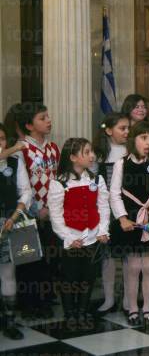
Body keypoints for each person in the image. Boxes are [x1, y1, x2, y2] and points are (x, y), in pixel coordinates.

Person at [109, 121, 149, 326]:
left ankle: (147, 308)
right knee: (133, 267)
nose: (148, 142)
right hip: (131, 219)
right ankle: (133, 308)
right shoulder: (121, 163)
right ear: (133, 139)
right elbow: (114, 194)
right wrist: (122, 217)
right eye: (144, 138)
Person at [48, 138, 110, 324]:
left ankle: (82, 311)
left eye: (91, 151)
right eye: (87, 152)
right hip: (72, 238)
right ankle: (70, 313)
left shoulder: (96, 180)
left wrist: (103, 230)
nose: (92, 156)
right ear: (73, 157)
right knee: (69, 278)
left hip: (92, 237)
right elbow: (56, 215)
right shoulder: (60, 183)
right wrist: (67, 237)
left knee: (88, 276)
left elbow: (103, 207)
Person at [17, 102, 60, 318]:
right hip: (27, 214)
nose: (49, 120)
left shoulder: (53, 148)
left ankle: (44, 301)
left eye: (48, 116)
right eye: (42, 118)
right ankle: (27, 304)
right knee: (27, 258)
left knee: (47, 259)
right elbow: (21, 184)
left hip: (51, 214)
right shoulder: (21, 148)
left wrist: (52, 208)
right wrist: (36, 208)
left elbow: (57, 180)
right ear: (28, 125)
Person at [92, 113, 130, 315]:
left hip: (125, 210)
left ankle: (126, 300)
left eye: (128, 128)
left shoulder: (130, 151)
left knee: (126, 256)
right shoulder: (98, 154)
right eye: (122, 128)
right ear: (108, 130)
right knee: (107, 257)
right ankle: (108, 299)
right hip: (105, 212)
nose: (127, 132)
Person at [0, 123, 32, 340]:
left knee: (8, 273)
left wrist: (14, 216)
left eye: (2, 138)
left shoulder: (15, 161)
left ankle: (9, 320)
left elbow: (25, 191)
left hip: (10, 223)